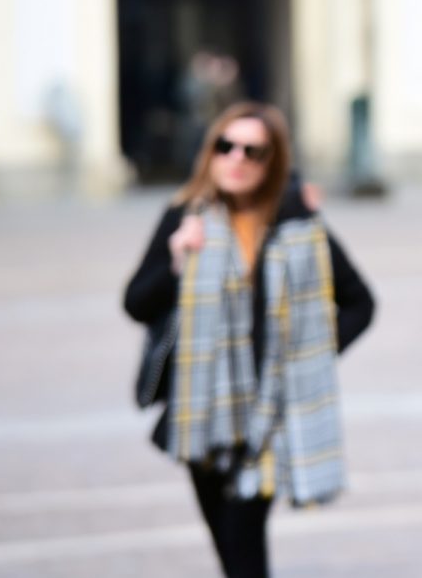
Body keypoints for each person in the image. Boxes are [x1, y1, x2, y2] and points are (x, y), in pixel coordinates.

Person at [124, 102, 375, 578]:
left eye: (252, 151)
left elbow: (361, 303)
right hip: (199, 418)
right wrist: (178, 262)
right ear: (210, 152)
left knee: (243, 555)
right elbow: (135, 303)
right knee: (231, 553)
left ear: (272, 161)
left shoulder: (297, 227)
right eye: (226, 146)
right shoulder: (184, 217)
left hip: (267, 422)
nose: (236, 159)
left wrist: (310, 361)